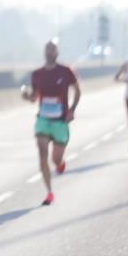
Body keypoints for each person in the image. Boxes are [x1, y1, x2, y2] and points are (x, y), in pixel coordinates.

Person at [21, 40, 80, 206]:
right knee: (42, 154)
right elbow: (34, 97)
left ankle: (60, 164)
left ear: (57, 52)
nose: (49, 52)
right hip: (43, 120)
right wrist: (27, 96)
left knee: (56, 159)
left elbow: (78, 91)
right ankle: (49, 193)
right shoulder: (37, 74)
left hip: (60, 121)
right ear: (44, 52)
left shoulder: (66, 71)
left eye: (52, 49)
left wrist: (72, 110)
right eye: (47, 49)